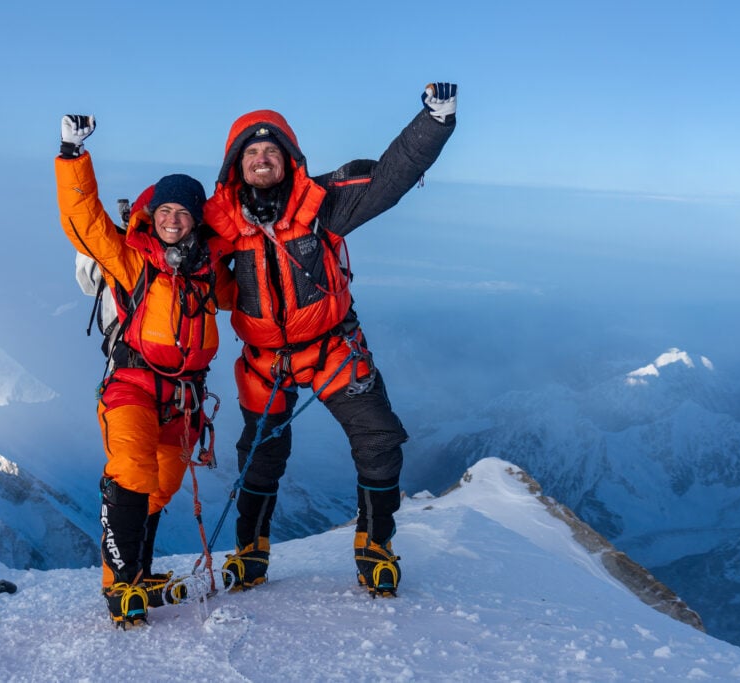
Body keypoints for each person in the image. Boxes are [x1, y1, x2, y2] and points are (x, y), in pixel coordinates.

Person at [202, 83, 458, 597]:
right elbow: (166, 233)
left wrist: (435, 119)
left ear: (289, 160)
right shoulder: (221, 222)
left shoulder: (321, 206)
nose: (261, 159)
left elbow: (389, 180)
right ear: (235, 165)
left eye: (271, 151)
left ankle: (375, 547)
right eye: (250, 152)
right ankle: (250, 552)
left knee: (379, 441)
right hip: (266, 360)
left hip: (332, 346)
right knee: (259, 456)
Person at [55, 114, 232, 627]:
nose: (173, 218)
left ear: (198, 219)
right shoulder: (132, 260)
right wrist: (72, 155)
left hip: (183, 398)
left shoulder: (208, 271)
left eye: (183, 211)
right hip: (131, 384)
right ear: (152, 214)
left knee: (164, 482)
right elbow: (85, 223)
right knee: (132, 469)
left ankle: (141, 571)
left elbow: (248, 292)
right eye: (166, 209)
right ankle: (122, 584)